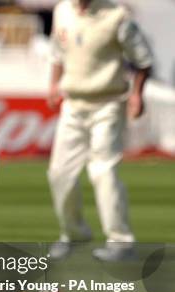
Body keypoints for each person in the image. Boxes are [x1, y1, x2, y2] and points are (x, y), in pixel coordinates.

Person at [47, 0, 153, 261]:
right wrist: (53, 84)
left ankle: (121, 242)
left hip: (108, 104)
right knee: (59, 173)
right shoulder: (62, 11)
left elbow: (143, 60)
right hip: (73, 105)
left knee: (103, 171)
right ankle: (74, 234)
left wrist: (137, 94)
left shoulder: (117, 16)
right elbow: (58, 53)